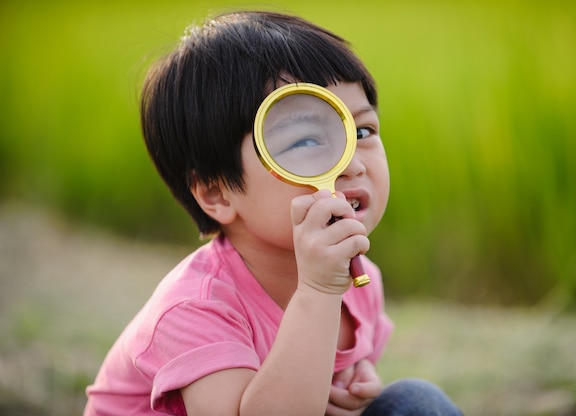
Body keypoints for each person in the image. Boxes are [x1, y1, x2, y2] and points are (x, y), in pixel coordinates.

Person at [85, 10, 462, 416]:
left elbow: (339, 374)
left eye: (363, 131)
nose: (351, 162)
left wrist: (357, 379)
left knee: (413, 401)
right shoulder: (195, 309)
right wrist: (317, 293)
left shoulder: (359, 280)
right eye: (306, 142)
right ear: (217, 193)